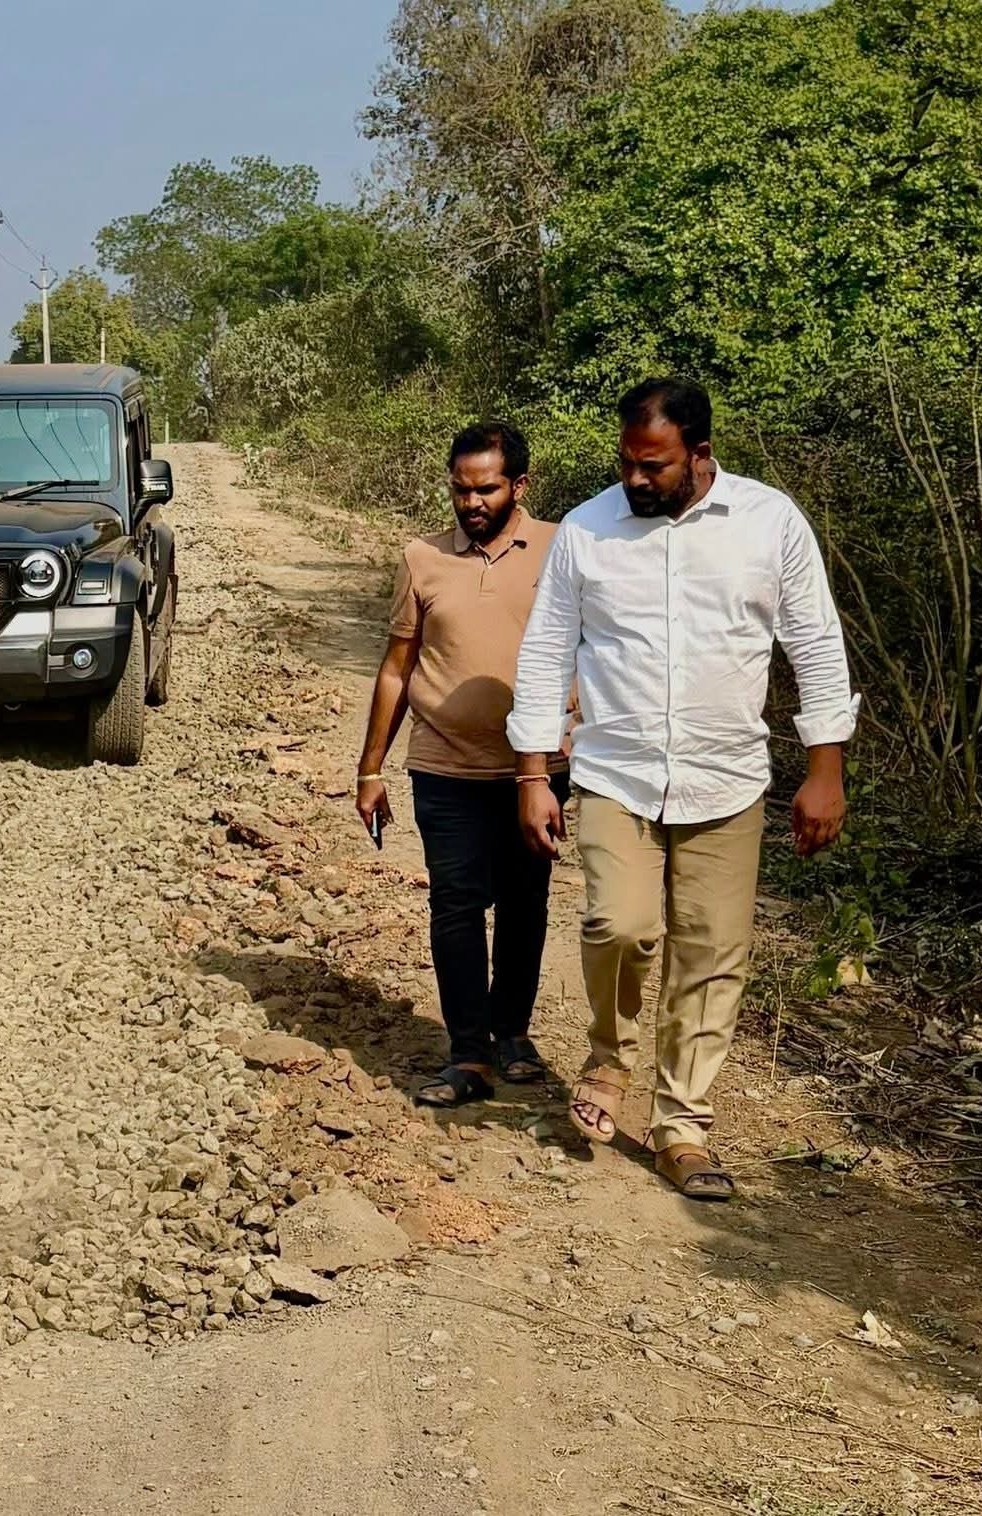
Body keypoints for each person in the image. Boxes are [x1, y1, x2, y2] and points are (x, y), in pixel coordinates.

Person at [507, 378, 855, 1201]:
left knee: (711, 954)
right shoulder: (588, 531)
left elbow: (816, 643)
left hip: (726, 777)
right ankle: (606, 1057)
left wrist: (825, 769)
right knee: (619, 925)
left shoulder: (770, 524)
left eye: (652, 465)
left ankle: (682, 1125)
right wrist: (532, 772)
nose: (634, 480)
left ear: (699, 453)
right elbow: (546, 649)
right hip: (615, 772)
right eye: (626, 463)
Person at [355, 421, 571, 1109]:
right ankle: (469, 1052)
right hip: (443, 764)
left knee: (525, 902)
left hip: (536, 771)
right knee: (454, 903)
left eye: (487, 489)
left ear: (520, 486)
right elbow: (397, 667)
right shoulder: (423, 558)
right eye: (460, 489)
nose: (472, 502)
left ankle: (513, 1033)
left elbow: (598, 647)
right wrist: (370, 770)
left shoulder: (561, 548)